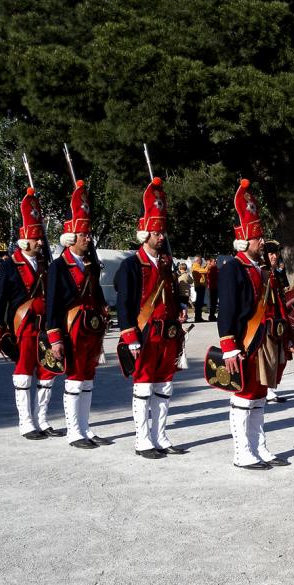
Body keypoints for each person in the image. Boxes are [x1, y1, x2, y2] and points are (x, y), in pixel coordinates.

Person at [218, 179, 292, 469]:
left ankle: (258, 446)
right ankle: (242, 452)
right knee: (244, 396)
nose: (263, 242)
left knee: (259, 396)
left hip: (265, 341)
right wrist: (229, 347)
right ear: (244, 240)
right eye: (258, 239)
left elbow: (276, 305)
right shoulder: (232, 269)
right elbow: (227, 311)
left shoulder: (263, 270)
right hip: (245, 343)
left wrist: (286, 335)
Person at [115, 177, 188, 459]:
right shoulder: (131, 265)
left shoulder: (167, 263)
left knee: (165, 385)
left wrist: (181, 304)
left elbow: (170, 291)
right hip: (144, 332)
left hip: (167, 332)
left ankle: (161, 435)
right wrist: (130, 335)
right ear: (145, 234)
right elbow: (124, 303)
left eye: (162, 232)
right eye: (157, 233)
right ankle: (142, 439)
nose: (162, 236)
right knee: (143, 385)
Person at [0, 187, 61, 440]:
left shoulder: (45, 264)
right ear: (24, 241)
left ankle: (42, 419)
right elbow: (0, 299)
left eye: (41, 238)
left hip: (44, 326)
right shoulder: (10, 265)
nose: (40, 242)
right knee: (23, 372)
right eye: (36, 238)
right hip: (23, 327)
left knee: (48, 371)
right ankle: (26, 422)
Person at [46, 179, 112, 449]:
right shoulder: (58, 267)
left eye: (89, 235)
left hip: (90, 328)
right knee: (74, 379)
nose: (89, 239)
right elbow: (51, 305)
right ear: (72, 238)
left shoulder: (90, 265)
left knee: (87, 378)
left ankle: (85, 427)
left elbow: (96, 294)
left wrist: (104, 309)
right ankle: (74, 431)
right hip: (70, 329)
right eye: (84, 236)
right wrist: (54, 338)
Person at [263, 239, 291, 405]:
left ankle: (271, 390)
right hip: (268, 322)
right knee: (271, 358)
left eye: (275, 253)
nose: (274, 256)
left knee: (280, 358)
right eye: (270, 253)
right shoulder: (264, 273)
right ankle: (267, 391)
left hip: (278, 322)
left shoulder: (276, 274)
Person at [191, 255, 207, 322]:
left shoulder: (197, 266)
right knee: (199, 302)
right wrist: (208, 266)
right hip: (199, 286)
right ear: (198, 260)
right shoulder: (195, 266)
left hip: (200, 285)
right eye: (201, 260)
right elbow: (204, 271)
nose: (201, 262)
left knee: (200, 302)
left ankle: (198, 317)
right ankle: (197, 317)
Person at [206, 256, 219, 321]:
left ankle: (212, 315)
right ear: (210, 262)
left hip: (215, 287)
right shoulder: (211, 269)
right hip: (212, 287)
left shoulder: (215, 268)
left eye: (215, 261)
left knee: (214, 302)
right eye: (214, 261)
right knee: (212, 302)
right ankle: (211, 316)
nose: (215, 262)